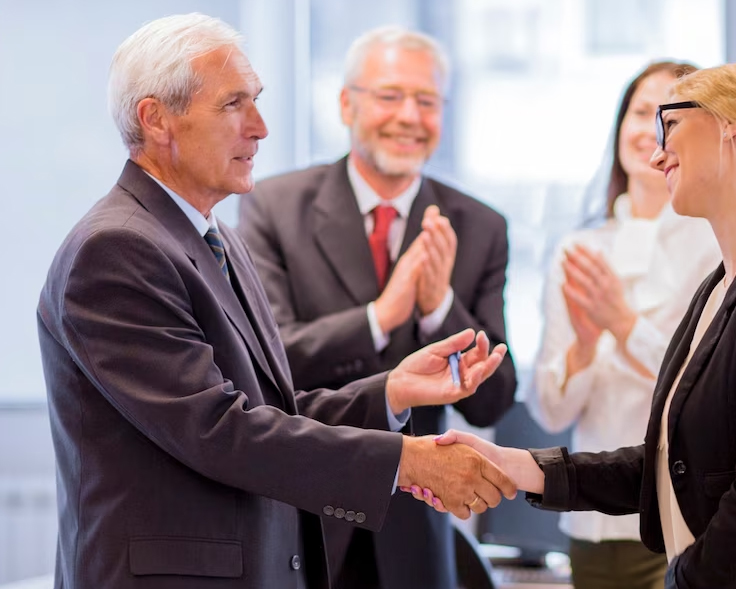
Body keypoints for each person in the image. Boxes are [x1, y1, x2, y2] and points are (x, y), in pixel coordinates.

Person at [37, 14, 516, 589]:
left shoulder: (214, 237)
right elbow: (220, 430)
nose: (260, 128)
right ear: (156, 118)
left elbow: (270, 407)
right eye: (233, 104)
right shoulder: (116, 249)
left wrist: (390, 392)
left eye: (256, 101)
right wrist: (406, 460)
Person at [414, 61, 736, 588]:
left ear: (732, 123)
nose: (658, 153)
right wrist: (517, 465)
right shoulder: (721, 286)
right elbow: (669, 464)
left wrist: (682, 581)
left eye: (671, 124)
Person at [237, 25, 516, 589]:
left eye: (427, 101)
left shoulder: (479, 225)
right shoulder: (274, 206)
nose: (409, 116)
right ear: (347, 104)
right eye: (390, 96)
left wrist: (439, 309)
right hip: (306, 517)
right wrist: (381, 317)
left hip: (416, 531)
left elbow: (495, 398)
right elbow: (268, 365)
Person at [527, 60, 720, 589]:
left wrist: (623, 323)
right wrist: (584, 349)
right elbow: (550, 410)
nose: (648, 130)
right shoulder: (579, 249)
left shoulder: (715, 245)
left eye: (669, 118)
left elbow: (706, 392)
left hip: (680, 516)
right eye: (639, 112)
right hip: (588, 519)